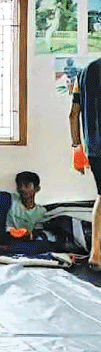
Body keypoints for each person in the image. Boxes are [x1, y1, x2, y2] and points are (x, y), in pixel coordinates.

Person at [70, 58, 101, 271]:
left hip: (94, 148)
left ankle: (96, 254)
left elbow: (73, 114)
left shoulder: (83, 73)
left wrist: (77, 148)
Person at [0, 171, 49, 256]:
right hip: (2, 235)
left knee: (44, 245)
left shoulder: (41, 211)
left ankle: (3, 249)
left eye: (27, 186)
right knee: (2, 196)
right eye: (20, 186)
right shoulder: (10, 199)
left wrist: (28, 234)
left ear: (37, 189)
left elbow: (35, 234)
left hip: (19, 242)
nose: (22, 189)